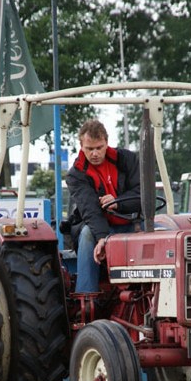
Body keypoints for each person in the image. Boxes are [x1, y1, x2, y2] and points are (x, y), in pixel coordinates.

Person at [65, 119, 141, 293]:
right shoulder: (76, 175)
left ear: (107, 143)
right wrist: (102, 238)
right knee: (87, 234)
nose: (95, 154)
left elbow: (142, 194)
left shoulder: (127, 160)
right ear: (81, 146)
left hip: (132, 223)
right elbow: (89, 210)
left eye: (99, 148)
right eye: (89, 149)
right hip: (101, 227)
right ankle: (87, 297)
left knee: (162, 232)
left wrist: (117, 202)